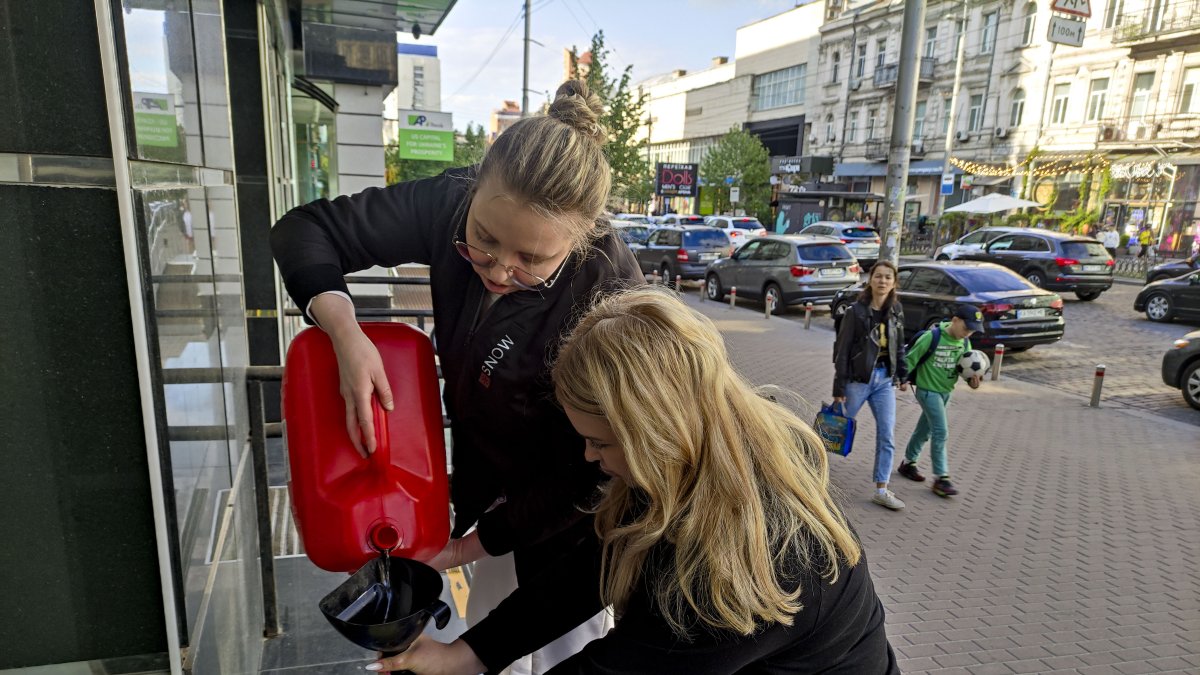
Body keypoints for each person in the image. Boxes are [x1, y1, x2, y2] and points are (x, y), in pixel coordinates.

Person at [271, 80, 643, 674]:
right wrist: (346, 333)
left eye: (532, 262)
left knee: (542, 653)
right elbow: (304, 230)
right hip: (484, 484)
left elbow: (596, 472)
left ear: (579, 241)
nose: (498, 270)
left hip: (565, 523)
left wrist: (471, 544)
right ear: (475, 189)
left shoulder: (608, 290)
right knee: (484, 643)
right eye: (485, 241)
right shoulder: (451, 200)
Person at [373, 288, 900, 673]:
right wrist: (466, 654)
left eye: (601, 443)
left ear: (657, 433)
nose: (589, 456)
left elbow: (620, 670)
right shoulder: (708, 455)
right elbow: (591, 567)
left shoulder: (744, 559)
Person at [832, 261, 909, 511]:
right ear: (870, 280)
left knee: (887, 434)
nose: (883, 281)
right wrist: (839, 388)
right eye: (878, 276)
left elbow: (899, 346)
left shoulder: (896, 310)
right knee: (834, 431)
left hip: (885, 380)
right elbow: (842, 350)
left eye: (888, 277)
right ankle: (806, 472)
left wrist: (903, 375)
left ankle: (882, 489)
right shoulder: (856, 311)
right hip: (857, 380)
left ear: (894, 283)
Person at [896, 304, 983, 498]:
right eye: (966, 328)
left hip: (946, 392)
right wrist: (901, 379)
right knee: (940, 431)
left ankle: (908, 463)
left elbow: (965, 370)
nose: (967, 333)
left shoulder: (965, 344)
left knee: (924, 429)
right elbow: (910, 358)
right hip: (927, 391)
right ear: (955, 320)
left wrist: (973, 382)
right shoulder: (932, 337)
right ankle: (941, 478)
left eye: (972, 331)